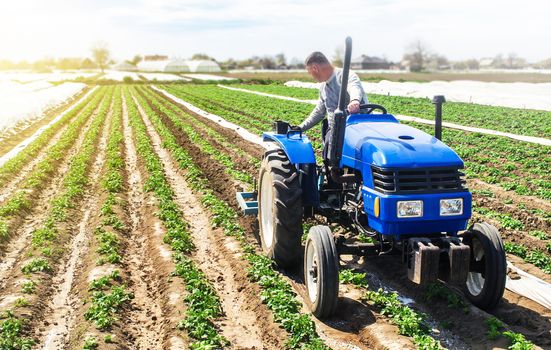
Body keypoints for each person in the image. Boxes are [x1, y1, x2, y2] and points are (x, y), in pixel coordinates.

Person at [296, 51, 368, 160]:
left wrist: (354, 100)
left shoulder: (345, 75)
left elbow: (354, 86)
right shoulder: (323, 89)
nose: (312, 77)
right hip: (336, 130)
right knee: (330, 143)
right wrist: (300, 128)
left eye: (310, 72)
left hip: (357, 126)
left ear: (315, 68)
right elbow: (319, 112)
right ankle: (331, 172)